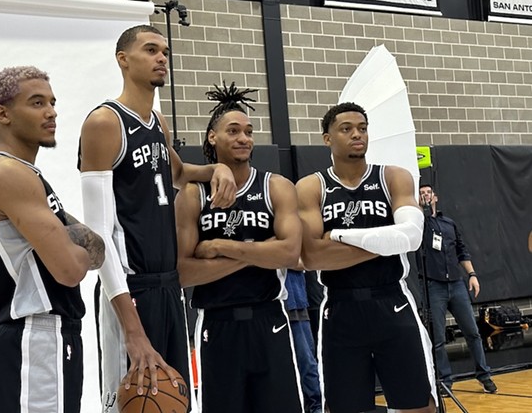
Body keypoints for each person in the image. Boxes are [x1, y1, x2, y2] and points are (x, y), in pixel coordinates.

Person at [78, 25, 236, 412]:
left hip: (169, 288)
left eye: (165, 51)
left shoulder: (159, 123)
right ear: (123, 59)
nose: (162, 57)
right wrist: (132, 330)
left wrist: (218, 169)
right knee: (133, 403)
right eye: (151, 50)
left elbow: (178, 174)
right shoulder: (104, 123)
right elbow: (97, 238)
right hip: (130, 290)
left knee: (175, 401)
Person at [0, 66, 105, 413]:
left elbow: (98, 249)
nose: (51, 112)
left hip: (45, 339)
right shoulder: (7, 173)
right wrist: (74, 245)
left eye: (53, 102)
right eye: (37, 102)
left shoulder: (28, 177)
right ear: (3, 114)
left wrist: (69, 241)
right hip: (36, 337)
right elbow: (70, 270)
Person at [296, 102, 436, 413]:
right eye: (346, 129)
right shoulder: (311, 187)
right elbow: (312, 255)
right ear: (327, 138)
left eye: (362, 128)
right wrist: (385, 240)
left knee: (419, 406)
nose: (357, 134)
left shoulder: (394, 177)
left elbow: (411, 237)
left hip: (393, 303)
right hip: (340, 308)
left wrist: (338, 236)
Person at [175, 83, 304, 413]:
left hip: (270, 321)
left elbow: (290, 253)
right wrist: (261, 251)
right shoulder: (193, 194)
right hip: (217, 325)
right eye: (233, 131)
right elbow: (185, 272)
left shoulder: (275, 187)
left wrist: (220, 246)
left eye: (248, 131)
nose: (244, 138)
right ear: (212, 138)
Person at [417, 184, 498, 395]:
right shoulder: (418, 224)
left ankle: (484, 375)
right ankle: (445, 380)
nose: (425, 195)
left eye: (428, 193)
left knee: (472, 332)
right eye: (421, 193)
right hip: (433, 286)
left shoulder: (449, 223)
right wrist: (418, 211)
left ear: (435, 197)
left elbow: (462, 250)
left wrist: (472, 275)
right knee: (438, 338)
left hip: (456, 284)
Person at [285, 268, 323, 413]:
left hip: (295, 302)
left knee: (306, 360)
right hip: (268, 308)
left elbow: (301, 260)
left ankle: (317, 406)